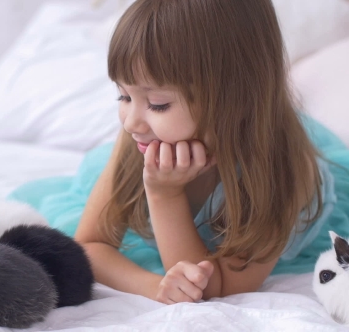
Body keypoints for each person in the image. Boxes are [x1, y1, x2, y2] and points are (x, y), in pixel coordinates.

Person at [71, 0, 333, 304]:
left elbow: (217, 290)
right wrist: (156, 287)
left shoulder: (281, 169)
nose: (130, 123)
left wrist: (164, 195)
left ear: (236, 96)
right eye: (124, 95)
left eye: (158, 103)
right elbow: (88, 245)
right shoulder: (139, 138)